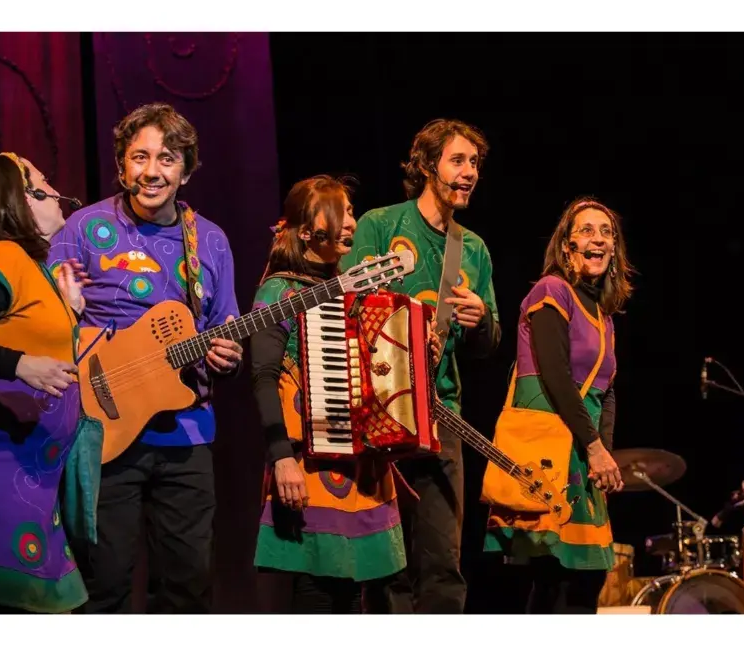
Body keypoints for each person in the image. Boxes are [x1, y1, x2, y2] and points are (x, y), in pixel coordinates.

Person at [47, 103, 243, 613]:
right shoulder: (83, 229)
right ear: (120, 165)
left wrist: (228, 351)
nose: (153, 171)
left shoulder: (212, 242)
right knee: (104, 583)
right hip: (102, 430)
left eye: (167, 159)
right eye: (140, 157)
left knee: (187, 587)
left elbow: (225, 324)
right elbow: (48, 324)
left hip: (187, 431)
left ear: (186, 170)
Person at [251, 175, 441, 613]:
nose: (350, 222)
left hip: (364, 466)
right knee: (319, 588)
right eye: (338, 212)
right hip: (308, 461)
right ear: (305, 230)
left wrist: (418, 355)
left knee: (358, 594)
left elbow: (384, 379)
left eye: (351, 211)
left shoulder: (357, 291)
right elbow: (262, 378)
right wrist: (281, 457)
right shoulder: (279, 290)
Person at [340, 118, 500, 613]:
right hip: (380, 411)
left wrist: (479, 322)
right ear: (428, 166)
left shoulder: (471, 249)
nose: (469, 171)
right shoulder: (381, 225)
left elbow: (485, 348)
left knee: (442, 565)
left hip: (441, 414)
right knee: (389, 568)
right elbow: (345, 308)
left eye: (475, 162)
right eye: (458, 160)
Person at [0, 152, 88, 613]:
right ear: (24, 199)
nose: (59, 190)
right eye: (45, 181)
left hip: (29, 481)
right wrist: (21, 364)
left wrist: (72, 313)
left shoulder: (34, 271)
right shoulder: (4, 256)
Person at [482, 197, 629, 614]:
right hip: (550, 454)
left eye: (606, 232)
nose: (597, 239)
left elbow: (607, 391)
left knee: (587, 577)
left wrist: (604, 455)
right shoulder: (552, 291)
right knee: (556, 579)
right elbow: (555, 375)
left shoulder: (604, 317)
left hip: (584, 459)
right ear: (567, 247)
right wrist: (595, 447)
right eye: (586, 230)